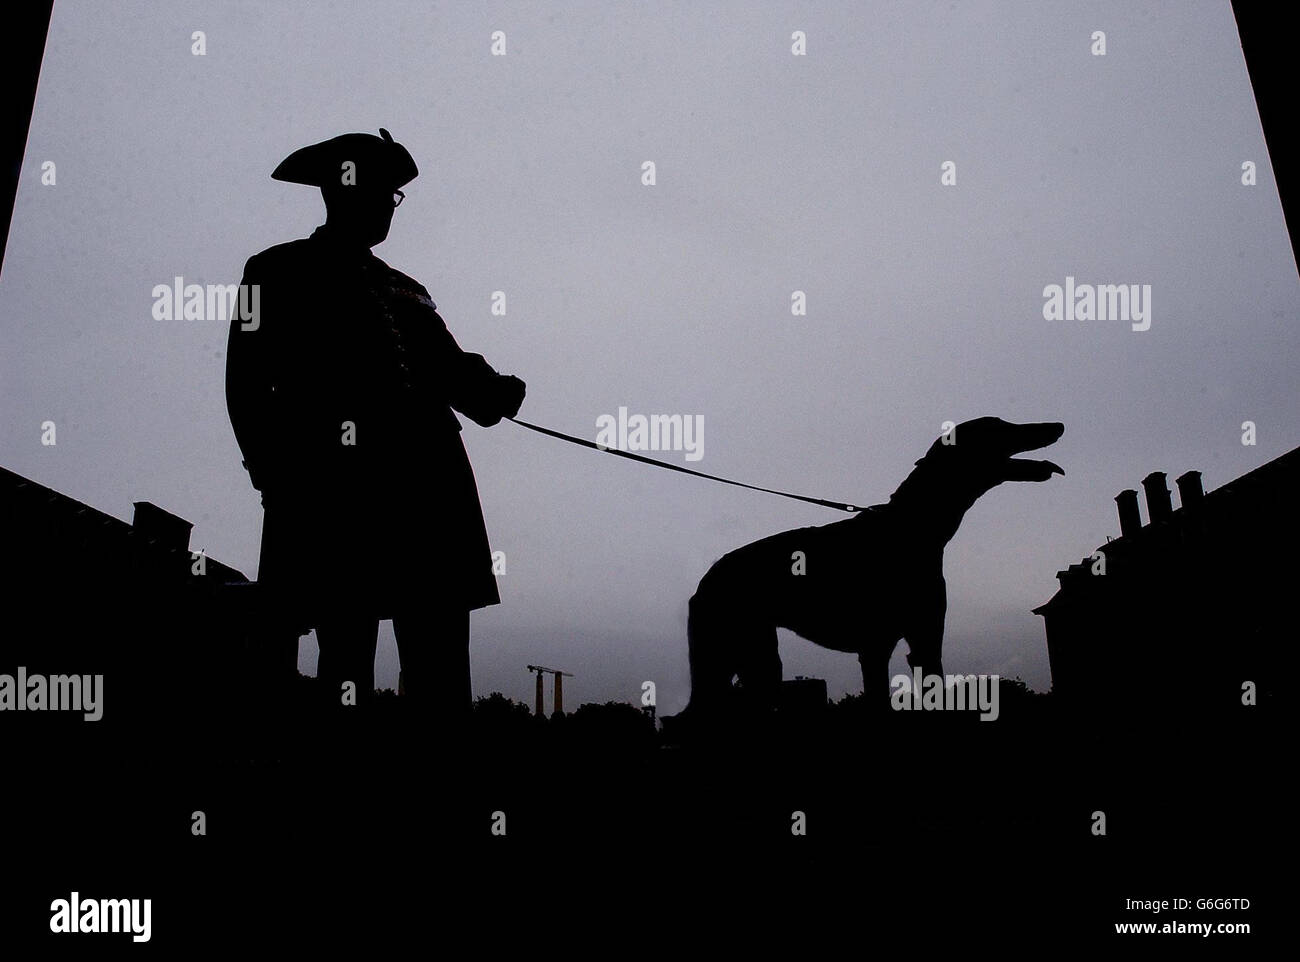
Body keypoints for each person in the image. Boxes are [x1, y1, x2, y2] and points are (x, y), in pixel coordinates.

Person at [225, 128, 525, 721]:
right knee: (345, 662)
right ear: (347, 190)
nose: (391, 206)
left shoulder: (407, 289)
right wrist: (276, 483)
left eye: (395, 195)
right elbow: (246, 384)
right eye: (385, 191)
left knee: (440, 667)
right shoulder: (274, 269)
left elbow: (449, 372)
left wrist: (492, 390)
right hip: (334, 495)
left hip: (431, 495)